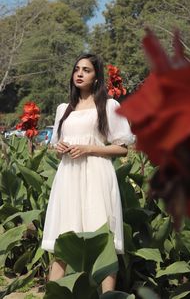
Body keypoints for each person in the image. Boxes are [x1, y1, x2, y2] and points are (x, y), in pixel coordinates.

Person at [41, 53, 134, 293]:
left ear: (96, 78)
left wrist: (89, 148)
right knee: (64, 239)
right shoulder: (64, 109)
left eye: (87, 70)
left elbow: (122, 149)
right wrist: (60, 148)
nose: (80, 73)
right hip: (69, 177)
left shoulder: (109, 105)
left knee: (104, 241)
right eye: (77, 69)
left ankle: (108, 297)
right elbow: (57, 147)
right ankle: (54, 295)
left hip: (96, 175)